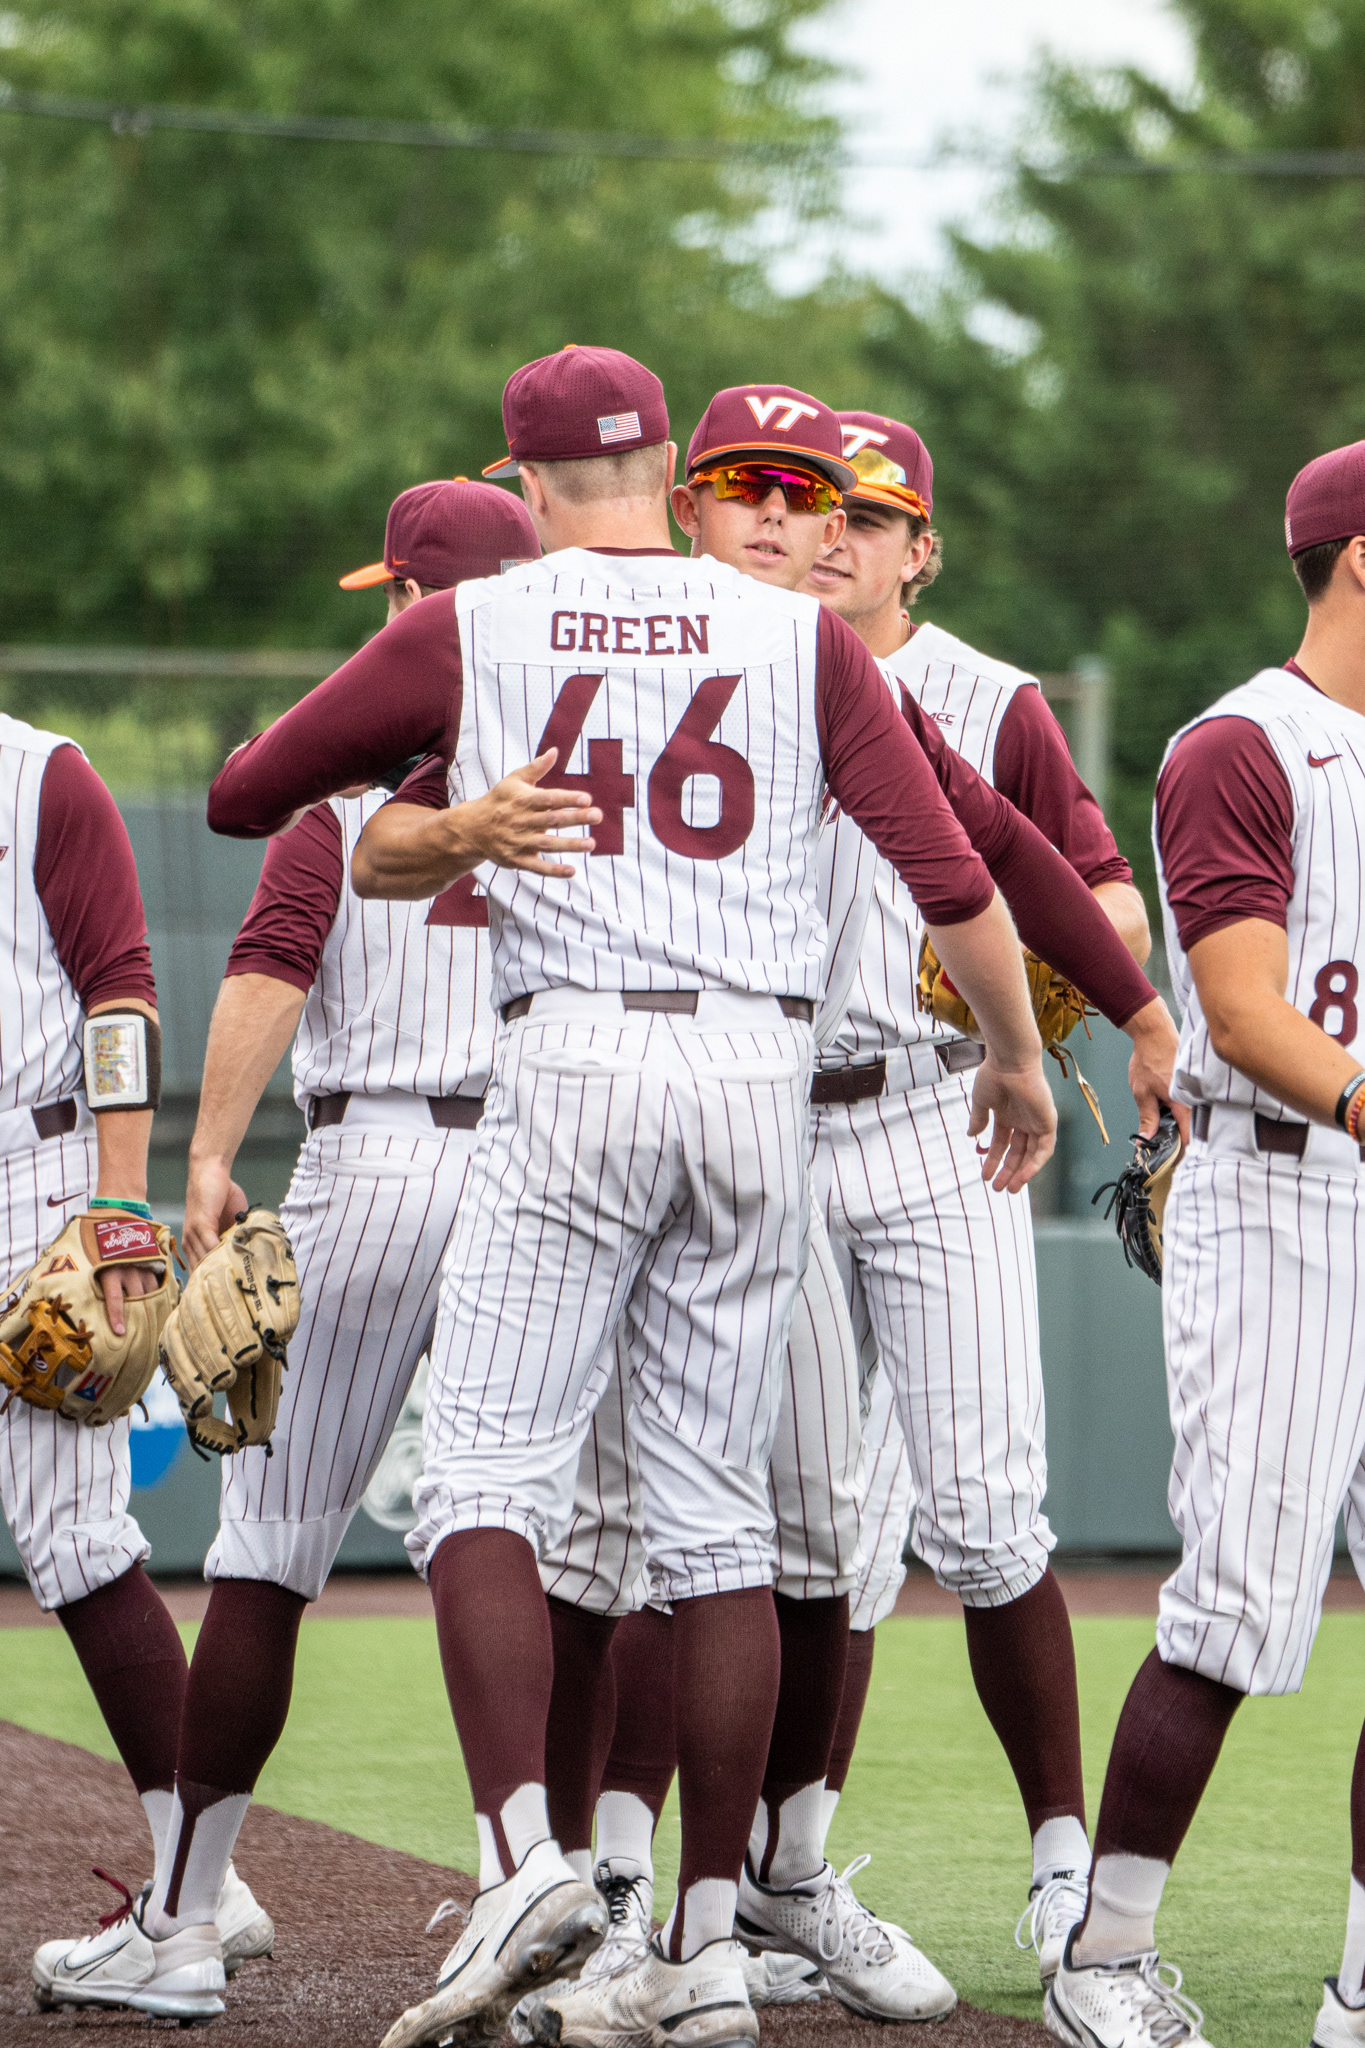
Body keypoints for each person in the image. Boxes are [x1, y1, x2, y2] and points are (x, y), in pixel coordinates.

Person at [528, 394, 1180, 2043]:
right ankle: (649, 1881)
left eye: (855, 509)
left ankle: (1021, 1873)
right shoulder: (685, 654)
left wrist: (1100, 1001)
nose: (822, 529)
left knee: (979, 1514)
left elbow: (1059, 868)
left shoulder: (967, 694)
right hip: (736, 1111)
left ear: (907, 544)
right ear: (696, 505)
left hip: (927, 1103)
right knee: (752, 1525)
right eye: (774, 494)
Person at [126, 478, 598, 2025]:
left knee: (268, 1551)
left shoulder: (338, 797)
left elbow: (272, 966)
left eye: (392, 595)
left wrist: (207, 1154)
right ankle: (540, 1892)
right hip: (545, 1169)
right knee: (537, 1542)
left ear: (415, 605)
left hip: (377, 1162)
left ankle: (178, 1927)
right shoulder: (589, 781)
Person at [1046, 442, 1365, 2048]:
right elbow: (1237, 1012)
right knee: (1232, 1606)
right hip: (1285, 1193)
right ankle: (1101, 1956)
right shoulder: (1242, 744)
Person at [3, 719, 271, 2024]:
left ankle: (195, 1887)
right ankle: (204, 1889)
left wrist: (117, 1212)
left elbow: (120, 995)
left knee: (74, 1535)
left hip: (37, 1171)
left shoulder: (40, 776)